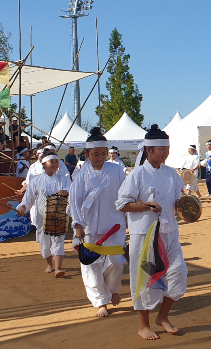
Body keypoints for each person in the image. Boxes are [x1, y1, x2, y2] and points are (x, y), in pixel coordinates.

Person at [117, 124, 187, 341]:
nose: (165, 153)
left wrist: (188, 205)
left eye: (167, 148)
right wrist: (146, 206)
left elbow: (179, 199)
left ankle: (162, 316)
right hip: (144, 235)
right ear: (148, 150)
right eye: (161, 149)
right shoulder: (136, 174)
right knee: (143, 279)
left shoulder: (172, 174)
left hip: (169, 231)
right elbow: (122, 204)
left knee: (178, 274)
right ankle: (144, 325)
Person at [68, 127, 127, 317]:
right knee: (92, 266)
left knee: (117, 262)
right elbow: (75, 203)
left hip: (115, 225)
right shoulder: (80, 175)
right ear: (86, 154)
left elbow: (125, 195)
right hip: (89, 228)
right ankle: (101, 302)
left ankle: (113, 290)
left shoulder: (116, 170)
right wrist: (78, 228)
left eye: (103, 154)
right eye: (95, 154)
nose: (100, 158)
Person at [16, 150, 71, 278]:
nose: (55, 164)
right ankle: (49, 265)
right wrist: (23, 208)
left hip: (59, 215)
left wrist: (66, 192)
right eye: (52, 162)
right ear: (44, 164)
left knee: (58, 240)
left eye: (56, 161)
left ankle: (58, 268)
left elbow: (72, 190)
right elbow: (28, 199)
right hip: (42, 216)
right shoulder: (36, 181)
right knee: (45, 242)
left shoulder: (64, 179)